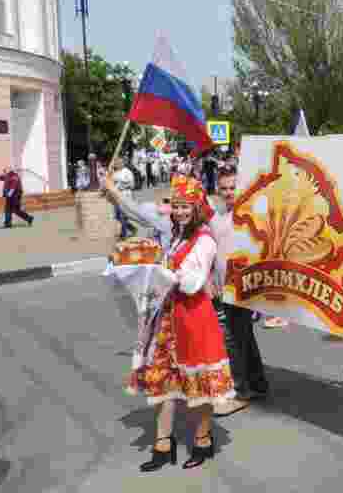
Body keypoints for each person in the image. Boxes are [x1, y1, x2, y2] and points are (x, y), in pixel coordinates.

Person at [125, 175, 235, 472]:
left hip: (193, 317)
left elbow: (191, 283)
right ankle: (163, 445)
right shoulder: (177, 236)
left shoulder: (204, 240)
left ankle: (203, 439)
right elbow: (169, 271)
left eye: (186, 206)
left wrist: (160, 273)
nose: (180, 211)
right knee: (163, 380)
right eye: (176, 206)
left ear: (197, 207)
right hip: (168, 318)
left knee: (199, 384)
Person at [209, 165, 269, 418]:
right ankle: (258, 383)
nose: (228, 192)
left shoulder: (250, 214)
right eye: (224, 188)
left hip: (243, 286)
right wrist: (211, 278)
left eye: (233, 187)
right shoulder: (217, 217)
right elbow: (214, 250)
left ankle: (241, 390)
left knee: (232, 339)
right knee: (243, 336)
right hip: (224, 286)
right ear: (218, 190)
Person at [112, 158, 136, 239]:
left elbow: (132, 184)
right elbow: (112, 183)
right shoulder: (115, 173)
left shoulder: (127, 172)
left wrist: (122, 183)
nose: (116, 164)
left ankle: (123, 234)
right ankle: (132, 228)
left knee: (123, 215)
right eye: (116, 163)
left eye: (118, 163)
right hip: (117, 195)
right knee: (117, 215)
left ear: (122, 163)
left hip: (125, 195)